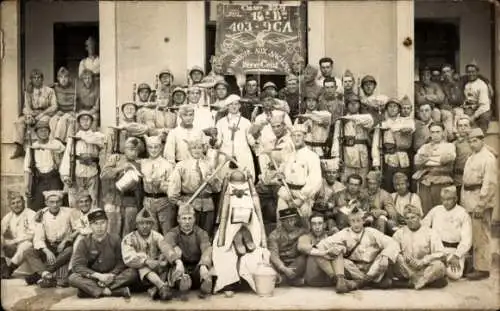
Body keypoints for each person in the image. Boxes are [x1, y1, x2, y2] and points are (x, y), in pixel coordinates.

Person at [316, 207, 400, 290]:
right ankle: (368, 282)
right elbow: (322, 245)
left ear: (363, 221)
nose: (356, 224)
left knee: (383, 256)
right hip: (354, 269)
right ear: (349, 222)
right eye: (353, 221)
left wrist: (385, 257)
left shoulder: (371, 232)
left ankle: (359, 283)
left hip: (372, 267)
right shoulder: (344, 233)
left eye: (358, 221)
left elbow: (392, 242)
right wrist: (333, 250)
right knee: (338, 253)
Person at [213, 170, 268, 295]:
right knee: (223, 250)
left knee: (256, 250)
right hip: (228, 229)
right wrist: (231, 237)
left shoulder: (248, 195)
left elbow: (255, 225)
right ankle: (229, 284)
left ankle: (243, 235)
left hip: (248, 227)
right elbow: (225, 227)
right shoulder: (230, 195)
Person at [69, 209, 136, 299]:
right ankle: (113, 291)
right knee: (73, 278)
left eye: (102, 222)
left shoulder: (115, 239)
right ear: (90, 225)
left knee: (133, 272)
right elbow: (77, 265)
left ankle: (90, 291)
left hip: (112, 277)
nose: (99, 226)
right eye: (95, 223)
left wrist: (112, 275)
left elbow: (121, 262)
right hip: (93, 277)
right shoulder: (84, 242)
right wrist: (98, 276)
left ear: (107, 223)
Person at [461, 128, 497, 280]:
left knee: (481, 234)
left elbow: (489, 184)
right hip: (468, 198)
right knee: (471, 234)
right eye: (470, 141)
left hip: (479, 200)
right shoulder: (471, 157)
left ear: (482, 140)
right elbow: (465, 181)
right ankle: (473, 265)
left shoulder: (488, 158)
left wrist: (481, 204)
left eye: (475, 140)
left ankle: (483, 268)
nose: (472, 143)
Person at [168, 138, 221, 235]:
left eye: (199, 148)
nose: (197, 150)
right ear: (189, 150)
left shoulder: (209, 165)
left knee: (206, 234)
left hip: (207, 205)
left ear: (203, 149)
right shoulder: (181, 166)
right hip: (190, 204)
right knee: (190, 234)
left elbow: (217, 189)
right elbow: (173, 189)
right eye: (194, 148)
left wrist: (212, 182)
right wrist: (180, 204)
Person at [159, 204, 213, 300]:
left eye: (189, 218)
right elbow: (165, 245)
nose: (187, 222)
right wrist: (177, 261)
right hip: (181, 266)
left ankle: (203, 284)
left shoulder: (201, 233)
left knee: (205, 272)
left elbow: (207, 248)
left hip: (196, 266)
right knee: (178, 274)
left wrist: (204, 265)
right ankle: (183, 283)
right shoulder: (173, 233)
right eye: (184, 219)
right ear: (178, 219)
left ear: (194, 219)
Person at [23, 191, 74, 288]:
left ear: (61, 202)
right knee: (28, 252)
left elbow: (76, 229)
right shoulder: (42, 215)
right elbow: (38, 237)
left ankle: (42, 274)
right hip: (49, 246)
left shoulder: (68, 213)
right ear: (46, 203)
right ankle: (47, 275)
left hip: (64, 246)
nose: (55, 205)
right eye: (51, 202)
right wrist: (47, 251)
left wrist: (64, 242)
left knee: (70, 251)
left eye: (57, 202)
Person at [275, 123, 322, 227]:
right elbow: (283, 173)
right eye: (293, 135)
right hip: (286, 194)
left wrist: (301, 199)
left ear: (304, 136)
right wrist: (280, 176)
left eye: (299, 135)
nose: (296, 138)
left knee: (303, 227)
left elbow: (315, 181)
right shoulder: (289, 156)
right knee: (281, 224)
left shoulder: (312, 156)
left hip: (303, 197)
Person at [255, 111, 295, 232]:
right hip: (270, 181)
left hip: (283, 183)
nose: (276, 129)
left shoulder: (290, 141)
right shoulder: (273, 141)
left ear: (284, 125)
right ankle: (257, 231)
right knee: (253, 196)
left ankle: (284, 233)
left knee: (282, 211)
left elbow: (289, 163)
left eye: (279, 126)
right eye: (273, 127)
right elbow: (254, 135)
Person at [392, 204, 448, 289]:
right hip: (407, 269)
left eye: (413, 217)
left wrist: (423, 261)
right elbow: (392, 250)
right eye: (407, 218)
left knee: (439, 265)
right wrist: (403, 255)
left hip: (424, 268)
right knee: (396, 258)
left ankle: (415, 282)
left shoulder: (430, 232)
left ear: (419, 218)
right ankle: (423, 281)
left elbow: (441, 253)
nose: (410, 221)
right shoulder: (399, 233)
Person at [422, 186, 472, 281]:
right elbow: (424, 225)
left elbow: (467, 240)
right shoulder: (436, 210)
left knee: (455, 275)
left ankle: (438, 271)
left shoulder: (463, 214)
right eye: (443, 199)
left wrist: (457, 256)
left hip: (453, 251)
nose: (446, 202)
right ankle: (438, 270)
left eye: (449, 199)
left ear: (456, 199)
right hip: (436, 249)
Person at [121, 209, 172, 300]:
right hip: (138, 276)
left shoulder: (157, 236)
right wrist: (146, 261)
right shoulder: (129, 238)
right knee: (142, 265)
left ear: (152, 225)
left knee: (167, 264)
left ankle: (155, 289)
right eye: (141, 223)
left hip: (156, 272)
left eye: (148, 223)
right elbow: (128, 258)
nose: (145, 226)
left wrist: (162, 258)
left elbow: (164, 246)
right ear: (136, 225)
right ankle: (161, 286)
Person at [60, 111, 105, 209]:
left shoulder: (97, 136)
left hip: (92, 173)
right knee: (75, 202)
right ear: (79, 122)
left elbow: (101, 142)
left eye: (88, 119)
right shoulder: (73, 139)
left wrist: (84, 137)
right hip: (77, 174)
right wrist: (65, 175)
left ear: (92, 122)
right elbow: (67, 156)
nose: (85, 122)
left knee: (93, 200)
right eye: (82, 119)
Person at [101, 137, 144, 237]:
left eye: (137, 151)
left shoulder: (139, 164)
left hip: (131, 202)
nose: (134, 153)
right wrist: (120, 168)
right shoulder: (116, 159)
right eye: (131, 149)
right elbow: (103, 175)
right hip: (114, 200)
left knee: (128, 232)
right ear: (125, 149)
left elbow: (140, 188)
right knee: (112, 231)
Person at [12, 69, 57, 159]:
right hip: (32, 113)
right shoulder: (29, 91)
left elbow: (54, 106)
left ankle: (41, 147)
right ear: (31, 79)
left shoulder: (49, 91)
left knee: (43, 122)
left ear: (42, 79)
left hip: (45, 113)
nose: (37, 79)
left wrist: (42, 114)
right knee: (19, 122)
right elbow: (27, 106)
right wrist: (29, 115)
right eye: (34, 78)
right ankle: (19, 147)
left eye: (39, 77)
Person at [372, 98, 415, 192]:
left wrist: (390, 127)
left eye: (395, 106)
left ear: (399, 109)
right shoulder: (381, 124)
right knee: (389, 188)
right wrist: (376, 163)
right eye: (390, 106)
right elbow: (376, 144)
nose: (392, 109)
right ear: (386, 109)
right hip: (389, 160)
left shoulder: (406, 121)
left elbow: (411, 128)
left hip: (404, 160)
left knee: (404, 187)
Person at [413, 122, 456, 215]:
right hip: (426, 181)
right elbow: (417, 161)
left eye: (438, 132)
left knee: (442, 209)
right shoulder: (425, 146)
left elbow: (446, 160)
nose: (435, 135)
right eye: (432, 132)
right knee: (426, 209)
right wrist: (436, 158)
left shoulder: (449, 146)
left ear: (443, 132)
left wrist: (428, 158)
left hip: (442, 180)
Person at [23, 120, 66, 211]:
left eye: (46, 130)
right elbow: (27, 169)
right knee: (36, 206)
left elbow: (61, 148)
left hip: (53, 178)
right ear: (36, 133)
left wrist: (43, 147)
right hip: (39, 180)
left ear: (49, 132)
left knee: (56, 204)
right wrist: (26, 185)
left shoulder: (55, 143)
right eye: (41, 131)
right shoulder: (32, 147)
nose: (43, 133)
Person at [331, 95, 374, 182]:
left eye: (356, 103)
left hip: (362, 158)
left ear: (359, 105)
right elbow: (336, 139)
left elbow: (370, 120)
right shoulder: (341, 122)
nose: (353, 105)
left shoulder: (365, 119)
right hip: (347, 157)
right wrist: (335, 156)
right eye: (350, 103)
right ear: (347, 106)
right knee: (346, 183)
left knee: (362, 184)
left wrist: (350, 118)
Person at [140, 135, 175, 235]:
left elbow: (172, 186)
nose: (153, 150)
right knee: (151, 231)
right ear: (147, 148)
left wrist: (161, 185)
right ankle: (152, 250)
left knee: (167, 230)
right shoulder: (143, 163)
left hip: (163, 202)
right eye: (150, 147)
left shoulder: (167, 165)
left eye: (156, 147)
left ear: (161, 147)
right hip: (148, 201)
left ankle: (167, 250)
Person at [215, 95, 256, 181]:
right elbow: (218, 141)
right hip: (226, 156)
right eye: (231, 104)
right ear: (227, 106)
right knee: (225, 180)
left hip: (243, 155)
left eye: (236, 104)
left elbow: (251, 139)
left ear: (240, 106)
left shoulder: (246, 121)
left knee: (245, 179)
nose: (234, 106)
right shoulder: (221, 122)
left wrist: (256, 142)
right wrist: (215, 143)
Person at [297, 213, 341, 288]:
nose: (317, 227)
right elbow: (302, 247)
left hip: (330, 279)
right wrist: (324, 253)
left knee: (338, 251)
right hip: (314, 279)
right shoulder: (305, 237)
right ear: (310, 226)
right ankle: (336, 279)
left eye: (320, 223)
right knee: (314, 253)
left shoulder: (330, 236)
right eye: (314, 224)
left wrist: (338, 233)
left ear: (324, 225)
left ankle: (338, 279)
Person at [268, 208, 309, 286]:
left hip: (295, 263)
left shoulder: (301, 231)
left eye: (293, 220)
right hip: (281, 264)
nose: (291, 223)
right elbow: (274, 255)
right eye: (288, 221)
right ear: (282, 221)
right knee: (269, 262)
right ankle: (290, 280)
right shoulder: (274, 235)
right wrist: (284, 268)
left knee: (304, 258)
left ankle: (282, 280)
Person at [1, 189, 36, 279]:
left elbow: (31, 234)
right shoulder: (8, 217)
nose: (16, 205)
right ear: (10, 206)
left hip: (26, 244)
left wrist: (13, 241)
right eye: (13, 203)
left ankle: (10, 269)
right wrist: (5, 241)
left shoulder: (31, 214)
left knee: (26, 245)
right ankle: (3, 266)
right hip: (12, 246)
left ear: (23, 202)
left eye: (18, 202)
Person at [313, 158, 346, 235]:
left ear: (337, 174)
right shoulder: (318, 184)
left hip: (334, 215)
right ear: (324, 174)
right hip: (318, 213)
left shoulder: (341, 187)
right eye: (329, 172)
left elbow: (342, 206)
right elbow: (312, 201)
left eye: (334, 172)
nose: (331, 175)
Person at [297, 91, 332, 158]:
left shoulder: (324, 115)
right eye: (308, 101)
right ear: (305, 103)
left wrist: (310, 116)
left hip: (319, 150)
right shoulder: (301, 118)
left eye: (313, 101)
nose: (311, 103)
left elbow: (325, 119)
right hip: (305, 149)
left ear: (317, 103)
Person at [462, 62, 492, 133]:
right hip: (470, 107)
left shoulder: (482, 85)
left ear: (477, 72)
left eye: (473, 72)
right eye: (469, 72)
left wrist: (474, 116)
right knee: (465, 119)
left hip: (482, 108)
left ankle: (480, 137)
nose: (471, 74)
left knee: (484, 117)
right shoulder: (465, 83)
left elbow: (484, 105)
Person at [49, 67, 77, 142]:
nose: (63, 79)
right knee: (53, 120)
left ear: (69, 78)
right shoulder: (55, 87)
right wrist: (56, 112)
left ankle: (58, 141)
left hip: (71, 112)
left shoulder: (74, 87)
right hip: (60, 112)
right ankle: (52, 143)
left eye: (66, 77)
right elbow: (45, 89)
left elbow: (78, 102)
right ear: (58, 78)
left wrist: (74, 111)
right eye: (61, 77)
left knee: (63, 120)